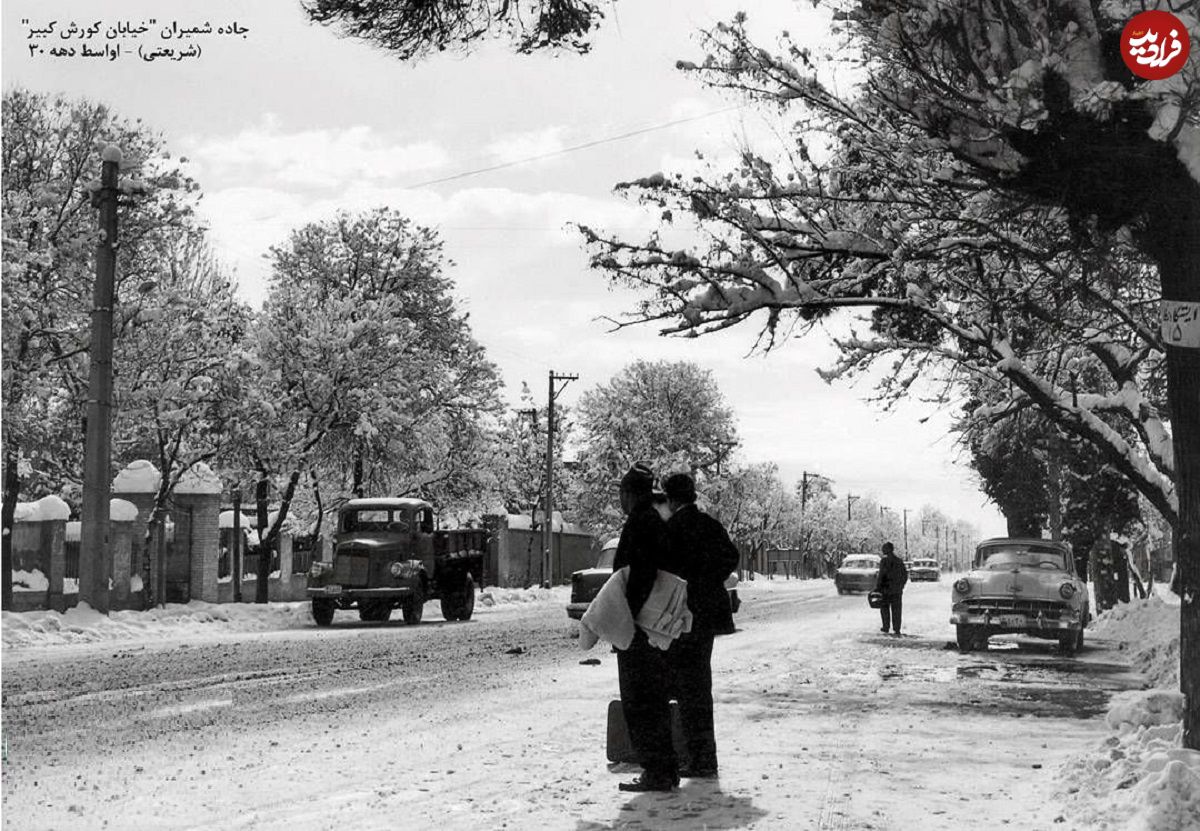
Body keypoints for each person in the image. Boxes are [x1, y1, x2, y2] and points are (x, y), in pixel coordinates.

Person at [662, 471, 739, 779]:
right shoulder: (709, 525)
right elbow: (730, 557)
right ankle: (705, 757)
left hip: (680, 615)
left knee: (683, 686)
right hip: (707, 616)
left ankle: (694, 758)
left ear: (671, 499)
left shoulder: (672, 529)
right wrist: (708, 580)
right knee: (699, 685)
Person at [612, 463, 682, 792]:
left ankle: (657, 771)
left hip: (640, 628)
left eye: (622, 494)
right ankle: (662, 769)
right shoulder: (653, 520)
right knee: (650, 701)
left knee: (641, 702)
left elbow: (639, 576)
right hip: (650, 627)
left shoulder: (640, 523)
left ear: (630, 494)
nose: (620, 500)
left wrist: (626, 617)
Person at [875, 541, 908, 635]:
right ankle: (896, 628)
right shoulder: (899, 561)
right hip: (897, 590)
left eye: (884, 548)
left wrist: (878, 587)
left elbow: (881, 576)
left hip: (886, 589)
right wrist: (901, 586)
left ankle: (886, 627)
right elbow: (904, 575)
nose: (882, 550)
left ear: (887, 549)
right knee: (897, 610)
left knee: (884, 608)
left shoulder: (884, 561)